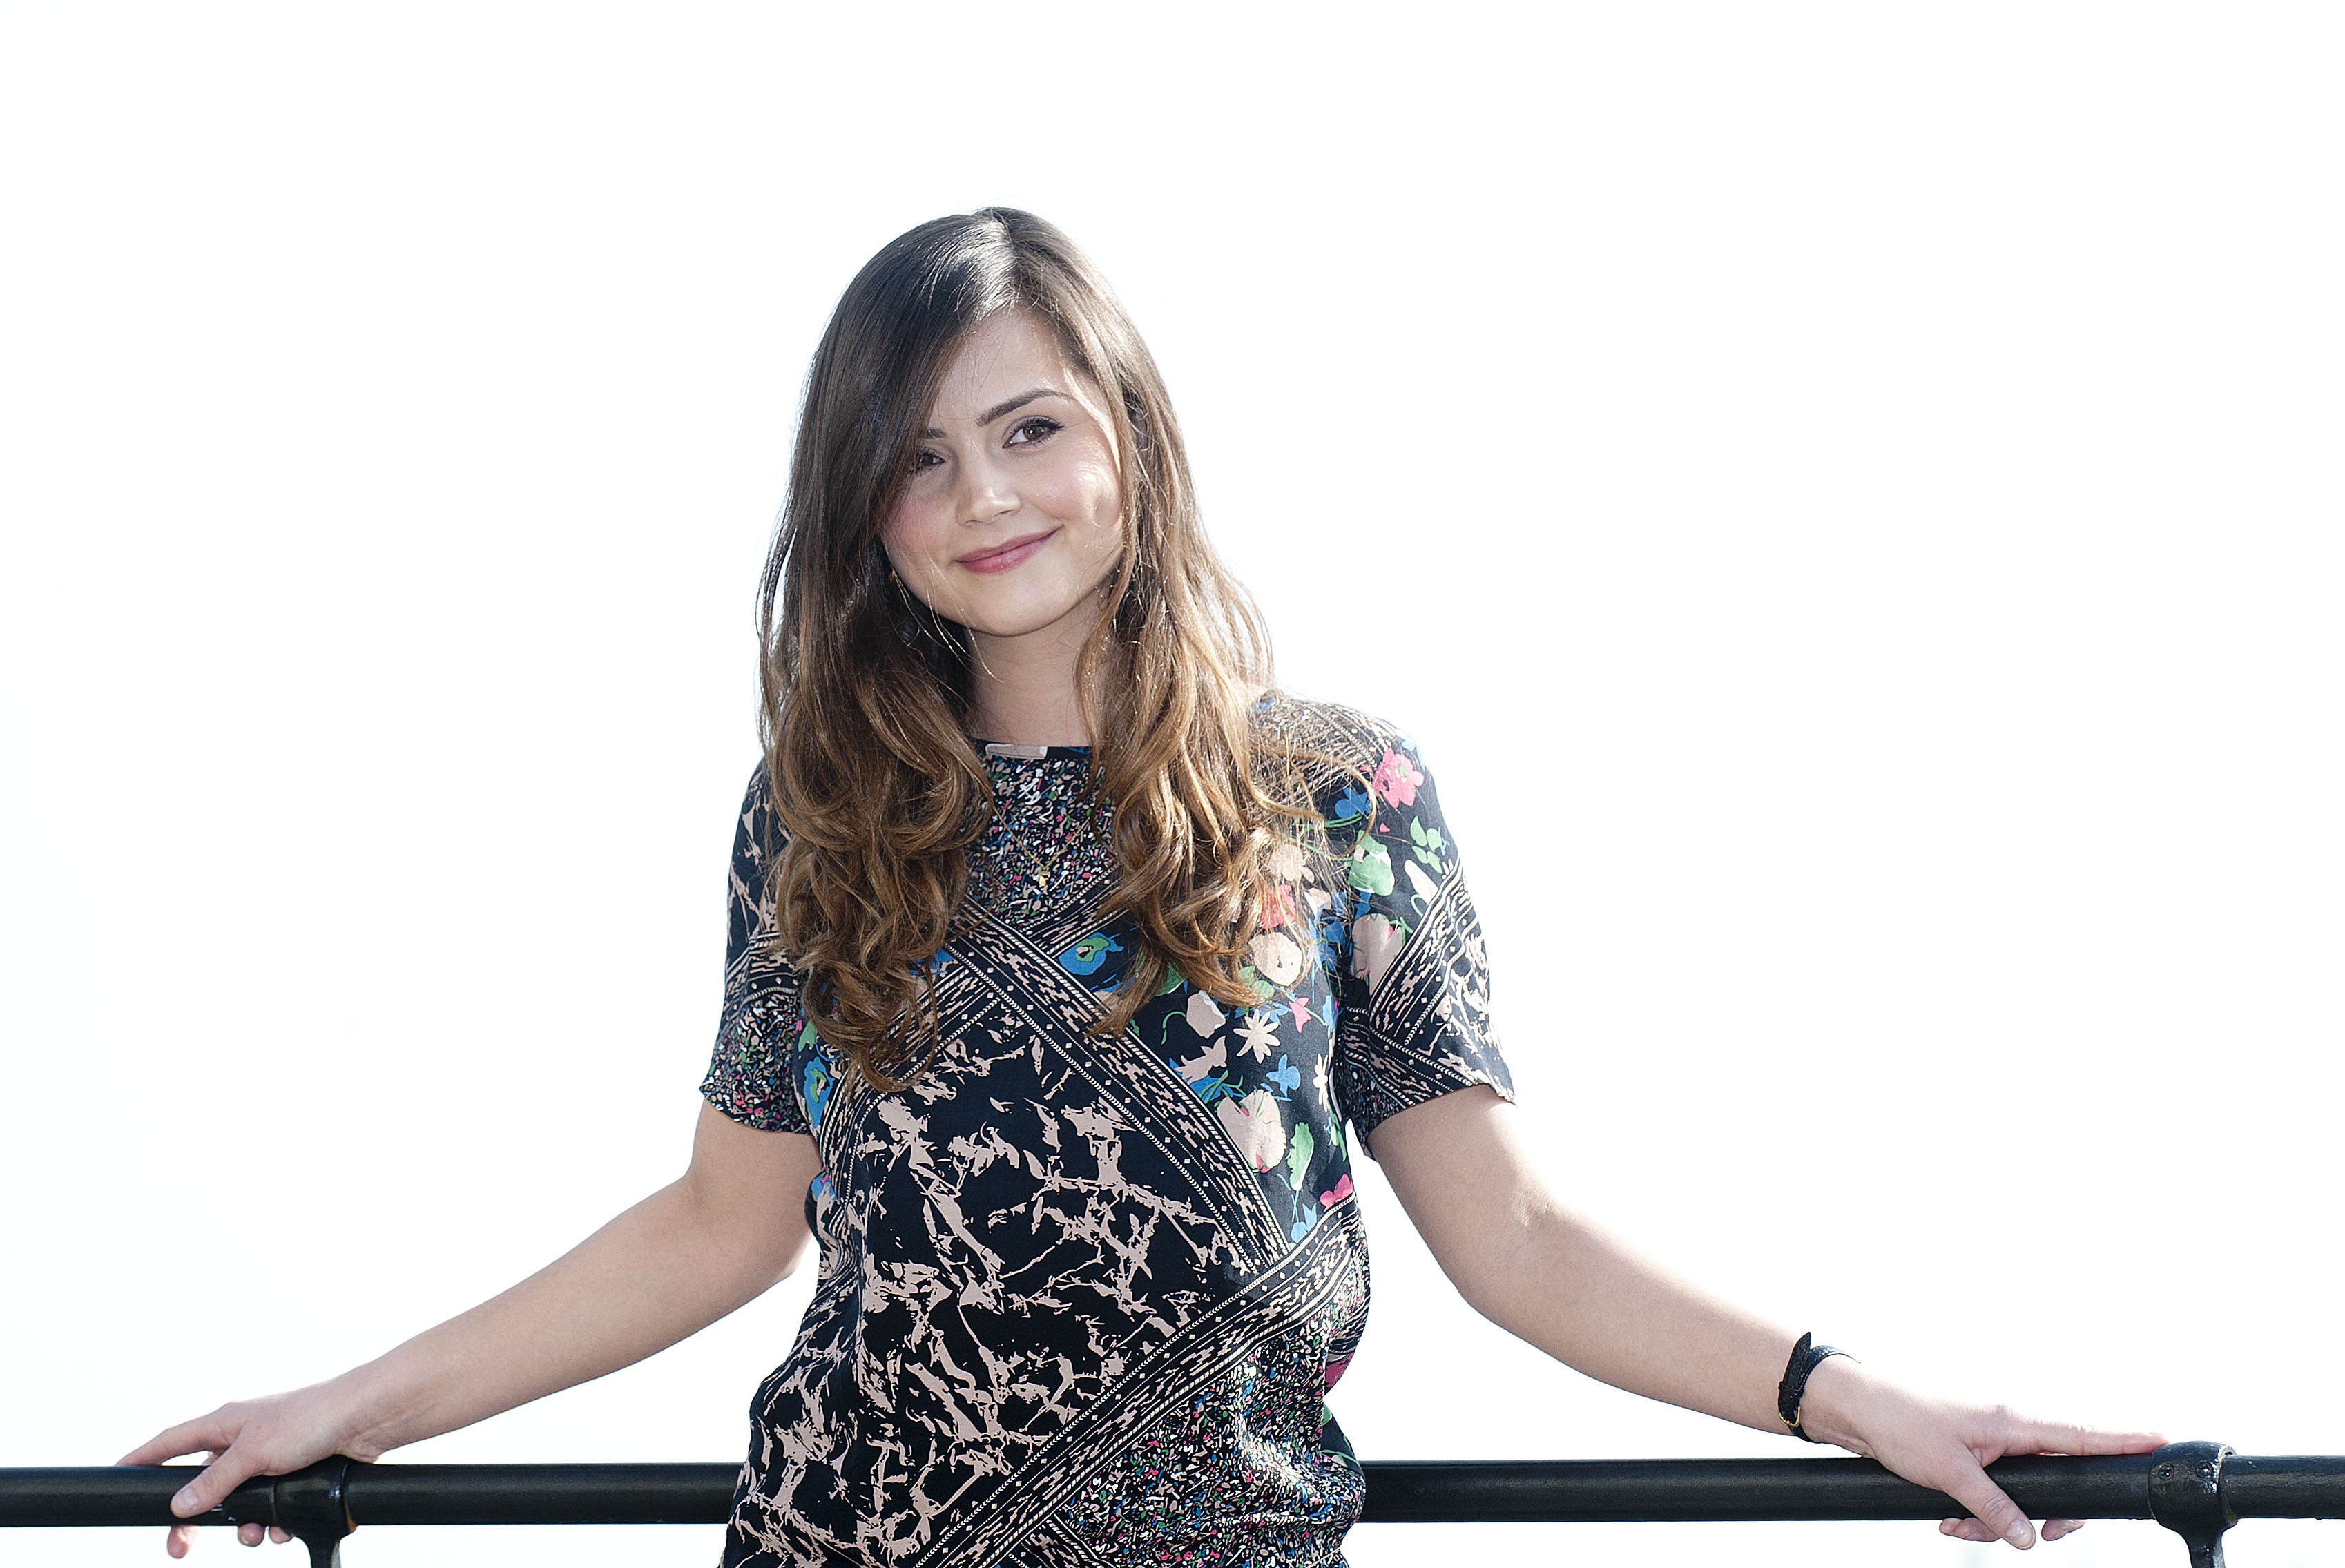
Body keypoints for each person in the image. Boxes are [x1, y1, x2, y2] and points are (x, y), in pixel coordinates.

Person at [122, 208, 2159, 1566]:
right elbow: (717, 1225)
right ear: (861, 511)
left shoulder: (1335, 791)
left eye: (1029, 428)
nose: (986, 496)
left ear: (1128, 440)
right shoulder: (817, 815)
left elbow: (1519, 1238)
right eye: (919, 458)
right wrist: (344, 1410)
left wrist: (1850, 1398)